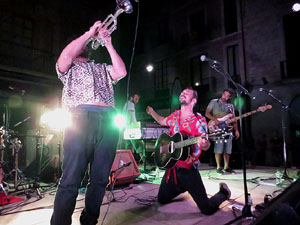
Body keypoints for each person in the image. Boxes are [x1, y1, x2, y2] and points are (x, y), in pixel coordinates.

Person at [51, 21, 127, 225]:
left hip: (108, 120)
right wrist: (89, 33)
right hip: (79, 119)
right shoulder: (67, 68)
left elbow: (121, 72)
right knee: (71, 178)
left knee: (101, 179)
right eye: (82, 44)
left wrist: (108, 43)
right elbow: (66, 55)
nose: (86, 46)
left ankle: (89, 221)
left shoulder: (101, 68)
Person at [146, 87, 231, 215]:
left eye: (186, 93)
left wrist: (205, 143)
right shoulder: (175, 115)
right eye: (182, 92)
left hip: (188, 169)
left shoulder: (199, 120)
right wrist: (152, 112)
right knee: (161, 199)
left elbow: (206, 145)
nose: (182, 93)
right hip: (172, 168)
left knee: (206, 209)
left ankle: (224, 193)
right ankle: (181, 187)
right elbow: (162, 120)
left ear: (193, 101)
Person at [205, 89, 240, 174]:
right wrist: (214, 119)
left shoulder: (230, 106)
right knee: (218, 148)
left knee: (228, 149)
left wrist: (236, 130)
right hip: (217, 128)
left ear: (229, 97)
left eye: (227, 96)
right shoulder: (214, 102)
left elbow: (234, 119)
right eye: (224, 94)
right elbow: (207, 113)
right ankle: (218, 167)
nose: (225, 97)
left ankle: (226, 166)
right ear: (222, 94)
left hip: (228, 128)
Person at [123, 93, 146, 165]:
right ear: (131, 98)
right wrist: (130, 124)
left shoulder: (126, 104)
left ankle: (128, 164)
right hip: (132, 128)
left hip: (126, 128)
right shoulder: (130, 104)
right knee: (139, 146)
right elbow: (129, 114)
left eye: (138, 99)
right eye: (136, 99)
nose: (137, 101)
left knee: (128, 148)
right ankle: (145, 163)